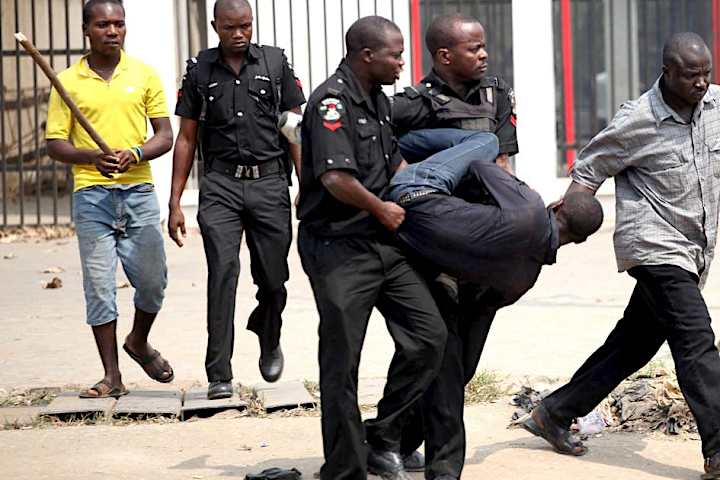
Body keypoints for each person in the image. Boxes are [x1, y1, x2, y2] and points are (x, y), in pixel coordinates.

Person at [522, 32, 720, 480]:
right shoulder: (638, 119)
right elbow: (589, 167)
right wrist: (563, 226)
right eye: (691, 75)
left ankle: (554, 412)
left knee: (634, 344)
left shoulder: (717, 108)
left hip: (694, 249)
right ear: (667, 72)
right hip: (653, 245)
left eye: (707, 73)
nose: (701, 83)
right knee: (695, 340)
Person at [373, 128, 602, 480]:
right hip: (422, 248)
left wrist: (507, 179)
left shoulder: (528, 205)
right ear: (580, 240)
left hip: (413, 193)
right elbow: (475, 320)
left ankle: (391, 144)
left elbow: (480, 167)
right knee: (452, 368)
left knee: (486, 141)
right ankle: (401, 443)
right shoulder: (523, 279)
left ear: (557, 205)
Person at [296, 16, 447, 480]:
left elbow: (393, 162)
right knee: (342, 364)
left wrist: (429, 196)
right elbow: (335, 178)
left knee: (429, 338)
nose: (403, 63)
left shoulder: (378, 100)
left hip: (384, 245)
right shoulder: (330, 103)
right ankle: (345, 468)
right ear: (367, 55)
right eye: (395, 55)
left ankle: (384, 436)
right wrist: (381, 209)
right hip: (338, 248)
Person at [170, 0, 306, 399]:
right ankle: (219, 372)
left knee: (273, 278)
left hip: (269, 184)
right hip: (221, 186)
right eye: (230, 27)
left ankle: (269, 332)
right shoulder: (199, 71)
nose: (239, 33)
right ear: (216, 26)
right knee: (223, 273)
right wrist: (175, 201)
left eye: (245, 25)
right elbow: (187, 137)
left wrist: (306, 185)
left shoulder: (276, 63)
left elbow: (293, 127)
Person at [45, 0, 174, 398]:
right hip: (92, 195)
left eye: (119, 23)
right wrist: (92, 157)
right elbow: (54, 144)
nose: (112, 31)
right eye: (102, 24)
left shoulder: (145, 74)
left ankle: (138, 341)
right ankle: (111, 376)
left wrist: (134, 153)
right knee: (99, 287)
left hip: (138, 191)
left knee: (153, 284)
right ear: (87, 29)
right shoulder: (67, 81)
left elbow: (165, 135)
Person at [391, 13, 517, 174]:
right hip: (440, 195)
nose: (484, 54)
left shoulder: (497, 93)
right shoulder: (416, 102)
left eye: (483, 47)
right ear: (445, 56)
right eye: (474, 49)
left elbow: (502, 162)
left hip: (486, 193)